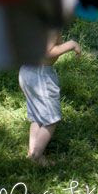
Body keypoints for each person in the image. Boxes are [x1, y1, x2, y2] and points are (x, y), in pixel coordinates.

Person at [19, 32, 81, 165]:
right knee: (51, 120)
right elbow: (48, 52)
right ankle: (36, 156)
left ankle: (32, 152)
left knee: (37, 116)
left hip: (27, 71)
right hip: (40, 76)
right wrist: (71, 44)